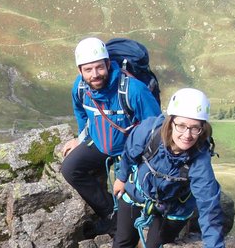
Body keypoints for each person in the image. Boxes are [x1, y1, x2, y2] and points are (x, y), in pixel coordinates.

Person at [91, 87, 229, 248]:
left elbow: (209, 209)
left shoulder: (199, 161)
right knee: (123, 239)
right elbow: (129, 153)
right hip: (139, 191)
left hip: (173, 205)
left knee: (155, 247)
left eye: (195, 128)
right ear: (171, 121)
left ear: (203, 129)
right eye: (181, 125)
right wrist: (121, 177)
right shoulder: (149, 131)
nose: (187, 134)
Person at [62, 37, 161, 235]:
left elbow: (155, 127)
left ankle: (129, 226)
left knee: (127, 193)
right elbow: (81, 111)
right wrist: (80, 138)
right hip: (100, 142)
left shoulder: (133, 89)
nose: (95, 74)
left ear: (108, 64)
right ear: (79, 71)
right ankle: (110, 214)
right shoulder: (80, 87)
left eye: (99, 67)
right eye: (88, 70)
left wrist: (134, 165)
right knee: (70, 168)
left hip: (132, 151)